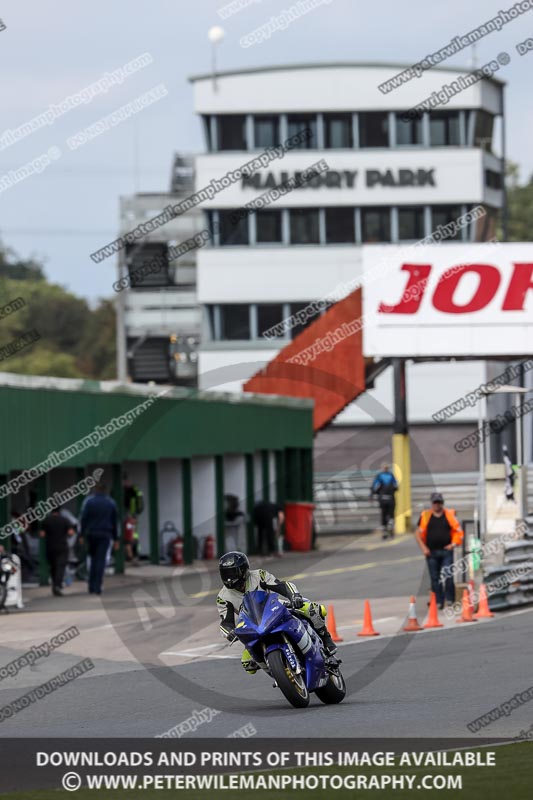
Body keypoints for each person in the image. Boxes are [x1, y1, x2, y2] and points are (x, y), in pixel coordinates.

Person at [216, 551, 337, 675]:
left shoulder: (259, 575)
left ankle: (326, 640)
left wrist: (294, 596)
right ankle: (278, 673)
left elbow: (282, 586)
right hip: (252, 623)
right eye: (225, 573)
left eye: (232, 572)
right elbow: (226, 622)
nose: (229, 578)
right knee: (247, 664)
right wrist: (229, 632)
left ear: (243, 570)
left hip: (274, 607)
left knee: (311, 609)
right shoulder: (223, 597)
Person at [415, 492, 464, 609]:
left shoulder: (449, 515)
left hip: (446, 551)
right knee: (434, 577)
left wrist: (453, 544)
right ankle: (438, 601)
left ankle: (450, 599)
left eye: (439, 502)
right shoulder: (425, 516)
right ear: (431, 503)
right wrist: (424, 548)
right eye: (435, 502)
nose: (437, 505)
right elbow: (417, 534)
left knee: (448, 575)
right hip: (431, 552)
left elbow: (459, 531)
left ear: (442, 503)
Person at [79, 482, 119, 595]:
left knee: (92, 559)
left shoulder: (89, 502)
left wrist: (82, 534)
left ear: (96, 490)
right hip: (105, 534)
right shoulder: (111, 503)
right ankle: (97, 586)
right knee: (100, 560)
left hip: (92, 533)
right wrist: (116, 538)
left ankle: (91, 586)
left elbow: (84, 519)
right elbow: (115, 521)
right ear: (105, 491)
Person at [39, 508, 75, 596]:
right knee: (60, 567)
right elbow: (71, 533)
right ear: (60, 512)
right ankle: (58, 585)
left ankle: (54, 585)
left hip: (50, 547)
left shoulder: (46, 521)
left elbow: (42, 534)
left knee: (53, 567)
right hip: (62, 546)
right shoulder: (65, 520)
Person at [370, 464, 399, 539]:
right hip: (390, 499)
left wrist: (372, 495)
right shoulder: (391, 476)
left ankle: (385, 531)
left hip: (382, 499)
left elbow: (374, 487)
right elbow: (396, 487)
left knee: (383, 515)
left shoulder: (379, 476)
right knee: (391, 515)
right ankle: (390, 529)